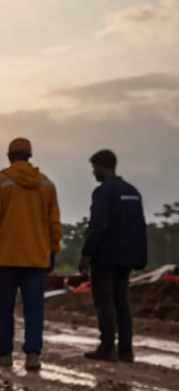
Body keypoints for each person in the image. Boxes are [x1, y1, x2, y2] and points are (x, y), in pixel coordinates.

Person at [0, 137, 61, 371]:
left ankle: (4, 354)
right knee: (34, 308)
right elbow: (54, 223)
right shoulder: (47, 185)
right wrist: (53, 251)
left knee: (4, 307)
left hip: (6, 257)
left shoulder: (0, 182)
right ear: (29, 156)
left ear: (9, 156)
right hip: (36, 257)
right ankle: (33, 355)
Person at [79, 149, 147, 362]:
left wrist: (87, 254)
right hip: (128, 256)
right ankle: (126, 349)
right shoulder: (132, 191)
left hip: (106, 256)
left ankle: (107, 347)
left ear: (102, 166)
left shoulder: (103, 192)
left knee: (104, 299)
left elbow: (98, 225)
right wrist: (140, 256)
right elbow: (139, 226)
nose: (93, 172)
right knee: (121, 300)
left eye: (94, 167)